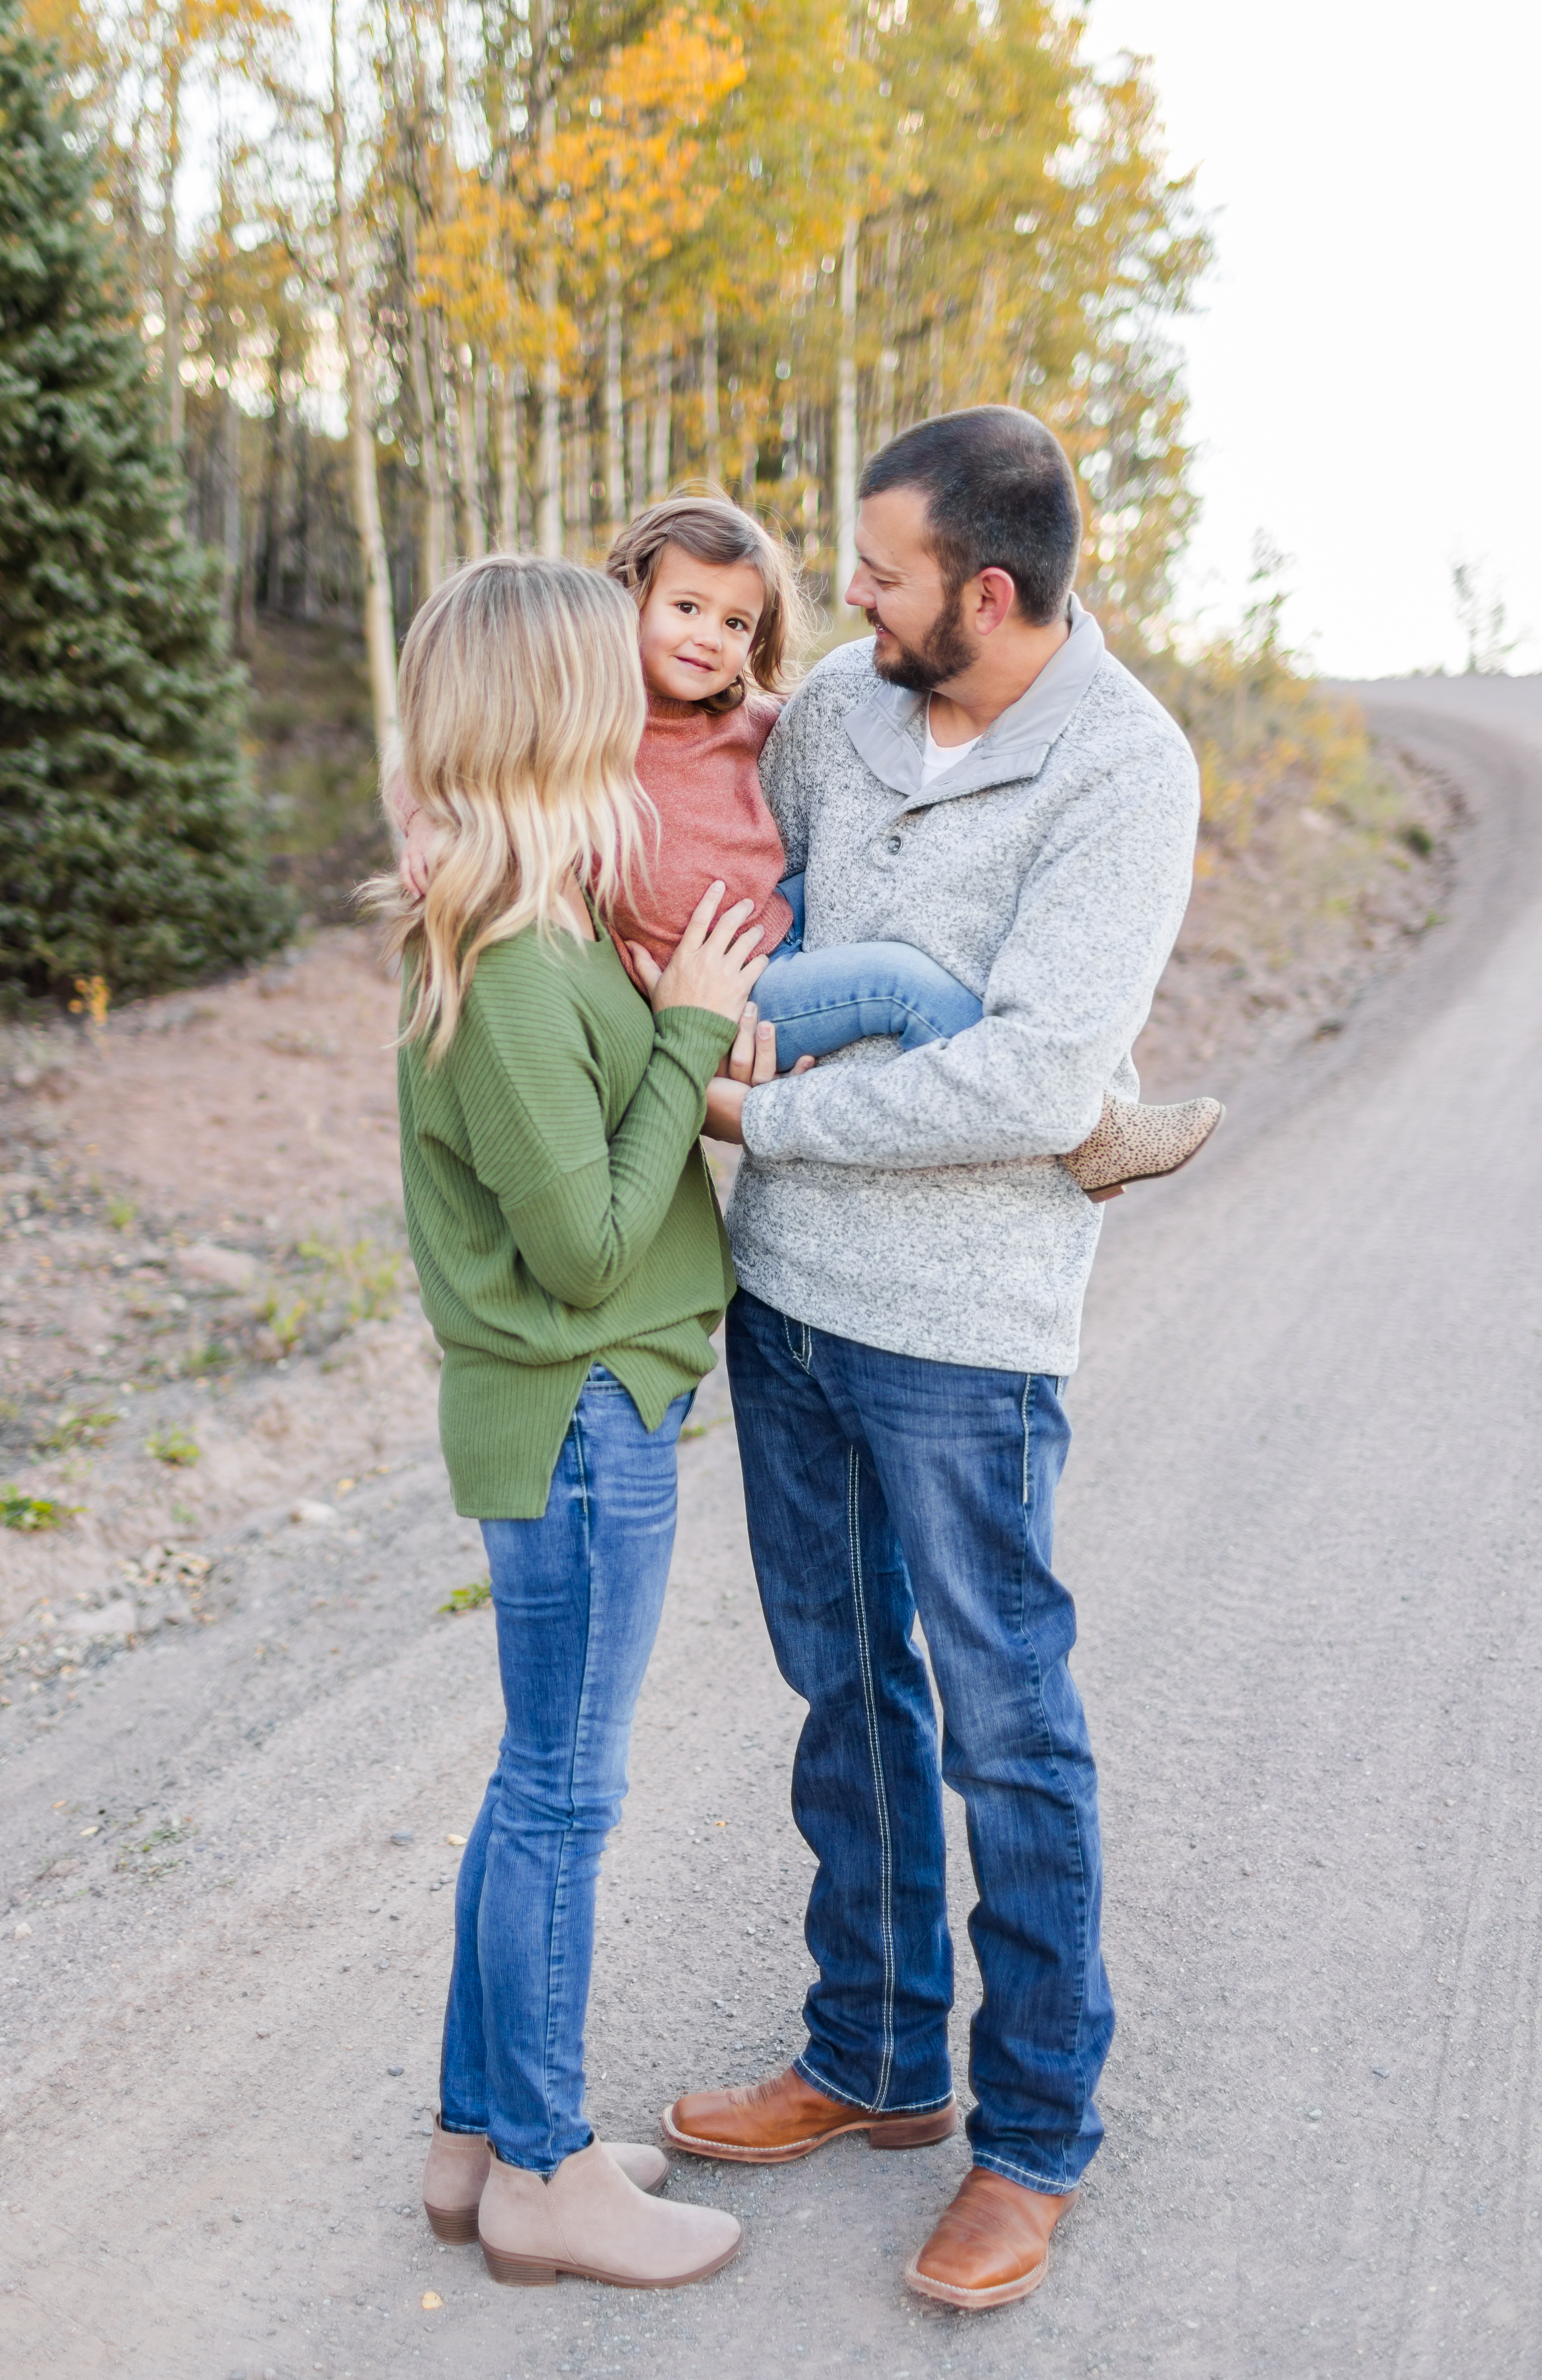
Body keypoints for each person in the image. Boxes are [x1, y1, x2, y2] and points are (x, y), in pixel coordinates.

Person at [657, 407, 1204, 2312]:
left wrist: (768, 1124)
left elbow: (1040, 1076)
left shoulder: (1125, 771)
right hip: (787, 1304)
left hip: (964, 1335)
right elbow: (765, 933)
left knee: (1004, 1720)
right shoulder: (836, 707)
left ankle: (1033, 2131)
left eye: (880, 570)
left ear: (982, 589)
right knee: (843, 1691)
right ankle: (875, 2053)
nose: (851, 596)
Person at [383, 552, 768, 2292]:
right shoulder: (520, 955)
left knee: (533, 1782)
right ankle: (543, 2173)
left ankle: (474, 2140)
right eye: (607, 672)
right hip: (581, 1411)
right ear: (555, 707)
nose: (644, 688)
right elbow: (588, 1240)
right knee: (561, 1797)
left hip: (568, 1408)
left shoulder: (516, 914)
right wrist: (688, 1036)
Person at [391, 492, 1221, 1202]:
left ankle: (1058, 1096)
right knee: (896, 979)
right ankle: (1091, 1124)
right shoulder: (593, 726)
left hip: (773, 934)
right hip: (727, 991)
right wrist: (427, 816)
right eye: (685, 608)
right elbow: (462, 753)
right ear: (628, 602)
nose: (709, 638)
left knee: (833, 899)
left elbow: (849, 724)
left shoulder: (750, 720)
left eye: (735, 623)